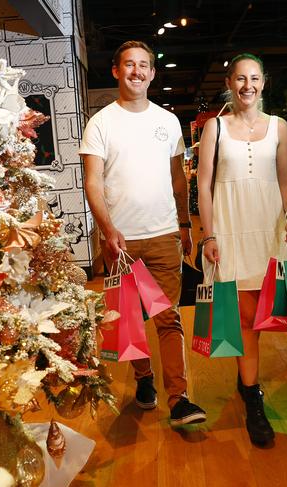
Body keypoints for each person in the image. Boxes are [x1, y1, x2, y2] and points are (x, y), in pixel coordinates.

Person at [80, 40, 206, 427]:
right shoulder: (100, 122)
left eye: (144, 65)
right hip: (121, 240)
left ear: (152, 73)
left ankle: (179, 398)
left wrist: (185, 225)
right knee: (130, 318)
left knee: (169, 318)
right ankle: (144, 380)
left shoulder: (167, 122)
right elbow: (92, 183)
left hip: (165, 234)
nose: (136, 71)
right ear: (116, 71)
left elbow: (177, 182)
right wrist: (107, 230)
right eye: (129, 65)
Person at [197, 53, 287, 445]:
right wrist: (208, 234)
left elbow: (285, 177)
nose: (247, 86)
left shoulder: (280, 127)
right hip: (231, 228)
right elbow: (203, 185)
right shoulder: (215, 129)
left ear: (263, 82)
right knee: (244, 319)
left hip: (270, 228)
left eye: (254, 78)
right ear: (230, 81)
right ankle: (253, 396)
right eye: (240, 79)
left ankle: (247, 382)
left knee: (264, 310)